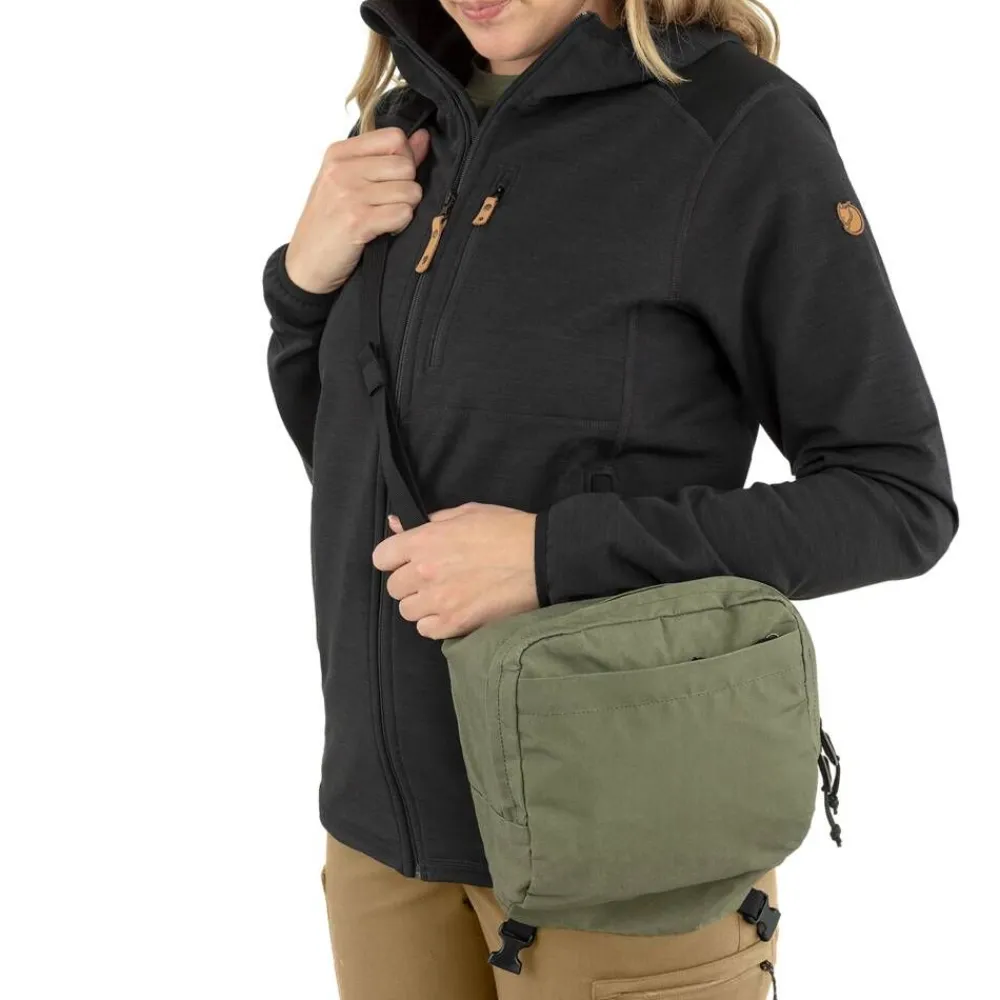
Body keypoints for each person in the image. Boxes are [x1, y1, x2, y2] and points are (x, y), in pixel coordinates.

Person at [262, 1, 958, 997]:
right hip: (387, 846)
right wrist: (300, 287)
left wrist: (553, 555)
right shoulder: (409, 125)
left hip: (624, 848)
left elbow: (896, 496)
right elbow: (350, 461)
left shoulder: (732, 126)